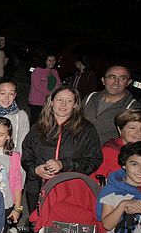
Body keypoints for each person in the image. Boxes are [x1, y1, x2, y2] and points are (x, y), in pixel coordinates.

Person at [21, 86, 102, 216]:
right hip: (37, 186)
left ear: (75, 105)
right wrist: (34, 170)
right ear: (51, 102)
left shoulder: (86, 130)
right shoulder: (39, 126)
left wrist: (64, 165)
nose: (63, 104)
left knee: (58, 228)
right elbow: (27, 153)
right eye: (59, 100)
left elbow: (94, 160)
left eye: (69, 101)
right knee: (36, 224)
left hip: (68, 188)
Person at [82, 65, 141, 146]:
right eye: (112, 77)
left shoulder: (132, 108)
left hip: (104, 156)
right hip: (77, 150)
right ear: (103, 80)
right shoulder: (90, 98)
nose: (116, 82)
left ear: (128, 82)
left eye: (122, 78)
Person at [28, 54, 60, 124]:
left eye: (53, 60)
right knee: (35, 122)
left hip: (49, 102)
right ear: (45, 61)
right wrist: (50, 93)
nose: (52, 62)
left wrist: (54, 94)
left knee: (46, 123)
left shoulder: (54, 72)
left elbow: (58, 85)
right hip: (37, 101)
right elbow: (37, 86)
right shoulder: (37, 71)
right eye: (49, 60)